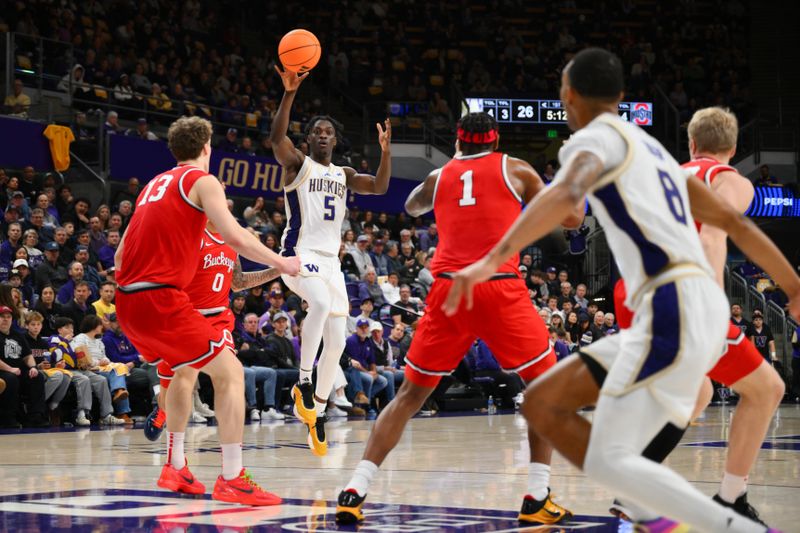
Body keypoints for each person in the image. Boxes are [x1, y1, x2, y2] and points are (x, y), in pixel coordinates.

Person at [443, 48, 800, 533]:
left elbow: (566, 196)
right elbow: (728, 221)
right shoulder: (651, 147)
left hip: (671, 308)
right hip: (680, 310)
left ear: (568, 94)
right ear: (621, 96)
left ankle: (715, 523)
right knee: (552, 410)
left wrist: (487, 261)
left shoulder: (590, 143)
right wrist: (792, 285)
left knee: (576, 428)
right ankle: (663, 516)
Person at [337, 111, 581, 525]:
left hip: (449, 289)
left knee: (410, 397)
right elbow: (572, 218)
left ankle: (355, 488)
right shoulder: (515, 168)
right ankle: (537, 496)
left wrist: (450, 168)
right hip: (498, 284)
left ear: (459, 141)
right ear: (496, 139)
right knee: (546, 392)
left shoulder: (440, 177)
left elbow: (413, 208)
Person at [612, 107, 787, 526]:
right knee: (766, 389)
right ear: (733, 147)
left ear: (691, 143)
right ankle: (729, 499)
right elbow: (713, 233)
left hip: (633, 290)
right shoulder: (729, 180)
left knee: (699, 393)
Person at [115, 116, 299, 506]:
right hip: (164, 298)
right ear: (206, 147)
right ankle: (233, 478)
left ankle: (175, 466)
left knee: (185, 373)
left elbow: (119, 255)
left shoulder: (152, 185)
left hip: (129, 301)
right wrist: (283, 264)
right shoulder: (201, 180)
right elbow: (236, 234)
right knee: (231, 374)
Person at [269, 65, 392, 457]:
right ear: (308, 140)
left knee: (337, 342)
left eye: (329, 132)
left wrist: (386, 153)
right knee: (319, 305)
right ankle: (303, 383)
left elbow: (381, 186)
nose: (323, 136)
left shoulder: (344, 173)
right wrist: (289, 93)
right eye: (317, 132)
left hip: (332, 264)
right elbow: (275, 137)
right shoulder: (297, 166)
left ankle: (317, 412)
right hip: (299, 254)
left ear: (335, 140)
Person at [146, 222, 282, 431]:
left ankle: (231, 452)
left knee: (231, 373)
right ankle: (163, 411)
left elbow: (238, 282)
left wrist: (278, 270)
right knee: (173, 387)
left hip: (218, 320)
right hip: (186, 319)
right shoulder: (193, 237)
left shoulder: (230, 242)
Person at [48, 316, 123, 426]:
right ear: (59, 330)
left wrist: (84, 363)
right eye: (67, 328)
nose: (71, 331)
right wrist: (64, 341)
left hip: (79, 369)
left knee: (101, 380)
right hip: (65, 371)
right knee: (84, 379)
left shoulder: (72, 341)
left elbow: (79, 358)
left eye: (72, 328)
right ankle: (82, 414)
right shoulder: (55, 339)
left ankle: (106, 415)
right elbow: (56, 356)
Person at [0, 305, 49, 428]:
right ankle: (8, 418)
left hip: (18, 370)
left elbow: (27, 355)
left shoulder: (18, 335)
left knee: (37, 377)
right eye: (2, 317)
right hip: (3, 371)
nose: (5, 319)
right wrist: (10, 369)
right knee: (11, 379)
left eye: (8, 317)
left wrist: (33, 367)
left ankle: (35, 416)